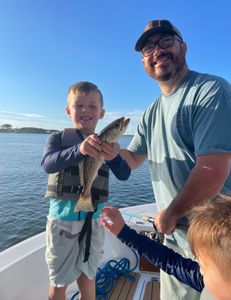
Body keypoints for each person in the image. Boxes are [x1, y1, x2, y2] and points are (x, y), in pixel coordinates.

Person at [120, 19, 231, 299]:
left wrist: (170, 214)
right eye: (147, 48)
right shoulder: (150, 112)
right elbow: (132, 159)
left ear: (183, 46)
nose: (156, 50)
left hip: (215, 245)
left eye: (165, 42)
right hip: (173, 239)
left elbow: (212, 169)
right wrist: (103, 147)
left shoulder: (210, 90)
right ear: (143, 61)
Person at [41, 81, 131, 300]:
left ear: (101, 113)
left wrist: (115, 158)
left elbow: (124, 174)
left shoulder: (109, 145)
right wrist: (79, 149)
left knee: (89, 275)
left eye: (92, 106)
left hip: (94, 220)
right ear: (68, 110)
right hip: (63, 221)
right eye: (79, 105)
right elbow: (48, 164)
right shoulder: (58, 139)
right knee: (59, 280)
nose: (85, 110)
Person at [100, 194, 231, 300]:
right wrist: (124, 233)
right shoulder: (213, 282)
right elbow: (169, 260)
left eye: (203, 266)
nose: (200, 271)